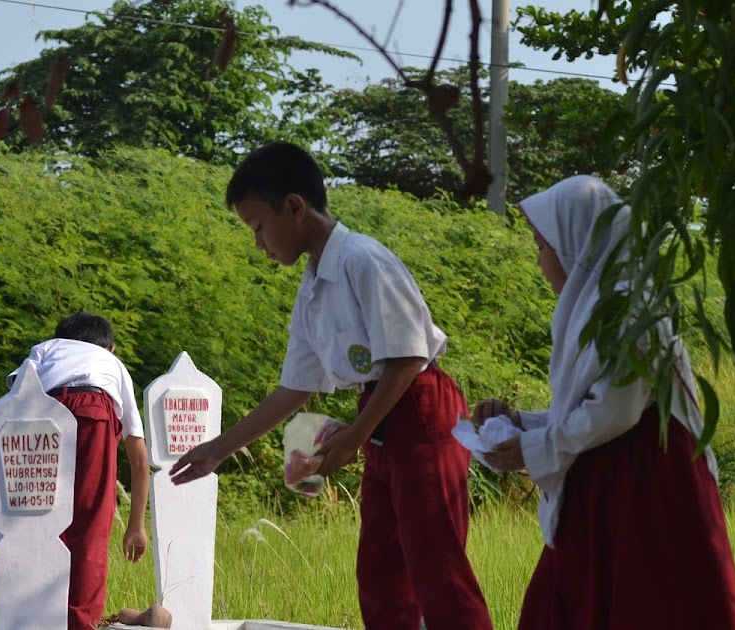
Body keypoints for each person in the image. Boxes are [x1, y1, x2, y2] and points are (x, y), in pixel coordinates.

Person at [169, 141, 493, 630]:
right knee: (381, 575)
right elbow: (293, 389)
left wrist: (357, 434)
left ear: (295, 207)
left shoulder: (363, 260)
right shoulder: (314, 284)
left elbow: (407, 358)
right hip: (380, 411)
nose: (259, 243)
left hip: (420, 405)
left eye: (258, 226)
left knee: (436, 570)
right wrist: (217, 449)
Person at [473, 175, 735, 629]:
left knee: (642, 604)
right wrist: (524, 424)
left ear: (576, 246)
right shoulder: (602, 302)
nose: (540, 262)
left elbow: (613, 412)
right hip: (613, 480)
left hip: (645, 489)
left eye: (543, 247)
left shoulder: (624, 307)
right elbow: (594, 404)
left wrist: (531, 447)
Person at [7, 311, 150, 630]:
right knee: (89, 528)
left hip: (41, 416)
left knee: (38, 522)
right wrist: (135, 526)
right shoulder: (112, 364)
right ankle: (79, 623)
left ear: (61, 338)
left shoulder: (45, 349)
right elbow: (139, 459)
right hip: (92, 412)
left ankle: (36, 618)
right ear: (110, 348)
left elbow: (16, 393)